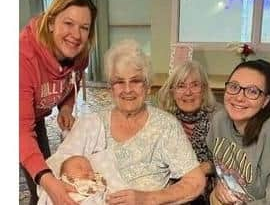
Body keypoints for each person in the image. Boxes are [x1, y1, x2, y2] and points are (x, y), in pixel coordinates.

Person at [41, 39, 206, 205]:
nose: (127, 90)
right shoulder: (90, 124)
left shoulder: (166, 126)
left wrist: (147, 198)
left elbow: (196, 181)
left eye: (135, 81)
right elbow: (56, 166)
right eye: (119, 82)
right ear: (110, 89)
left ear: (147, 86)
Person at [19, 0, 97, 204]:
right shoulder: (21, 58)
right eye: (68, 23)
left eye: (84, 27)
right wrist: (48, 182)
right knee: (42, 181)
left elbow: (72, 84)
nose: (76, 35)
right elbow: (21, 132)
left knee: (45, 171)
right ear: (52, 22)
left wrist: (65, 108)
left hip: (37, 117)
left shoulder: (80, 53)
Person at [206, 59, 270, 204]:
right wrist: (218, 189)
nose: (239, 97)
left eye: (253, 91)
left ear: (265, 101)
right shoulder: (219, 119)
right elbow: (220, 168)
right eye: (234, 87)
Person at [157, 60, 219, 205]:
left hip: (208, 188)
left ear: (204, 89)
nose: (188, 92)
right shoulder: (163, 120)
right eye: (181, 86)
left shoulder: (218, 118)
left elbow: (229, 161)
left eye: (195, 85)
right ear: (172, 91)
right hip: (168, 185)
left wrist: (202, 168)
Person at [38, 155, 109, 204]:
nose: (86, 170)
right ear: (65, 174)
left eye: (89, 168)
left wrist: (96, 178)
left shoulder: (94, 183)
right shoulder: (64, 181)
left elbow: (103, 191)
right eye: (80, 167)